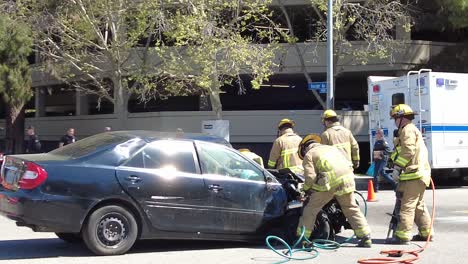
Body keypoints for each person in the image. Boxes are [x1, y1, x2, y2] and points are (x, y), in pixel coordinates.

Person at [296, 134, 372, 247]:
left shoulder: (310, 154)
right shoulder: (332, 148)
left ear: (305, 148)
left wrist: (306, 190)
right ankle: (365, 237)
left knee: (310, 209)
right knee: (351, 207)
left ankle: (302, 239)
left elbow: (310, 177)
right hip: (347, 180)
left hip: (329, 184)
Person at [387, 104, 433, 244]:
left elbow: (408, 151)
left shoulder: (407, 130)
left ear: (401, 118)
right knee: (418, 205)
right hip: (418, 174)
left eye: (395, 118)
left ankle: (402, 236)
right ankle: (426, 233)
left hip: (413, 175)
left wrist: (397, 167)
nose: (394, 121)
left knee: (406, 206)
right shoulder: (410, 130)